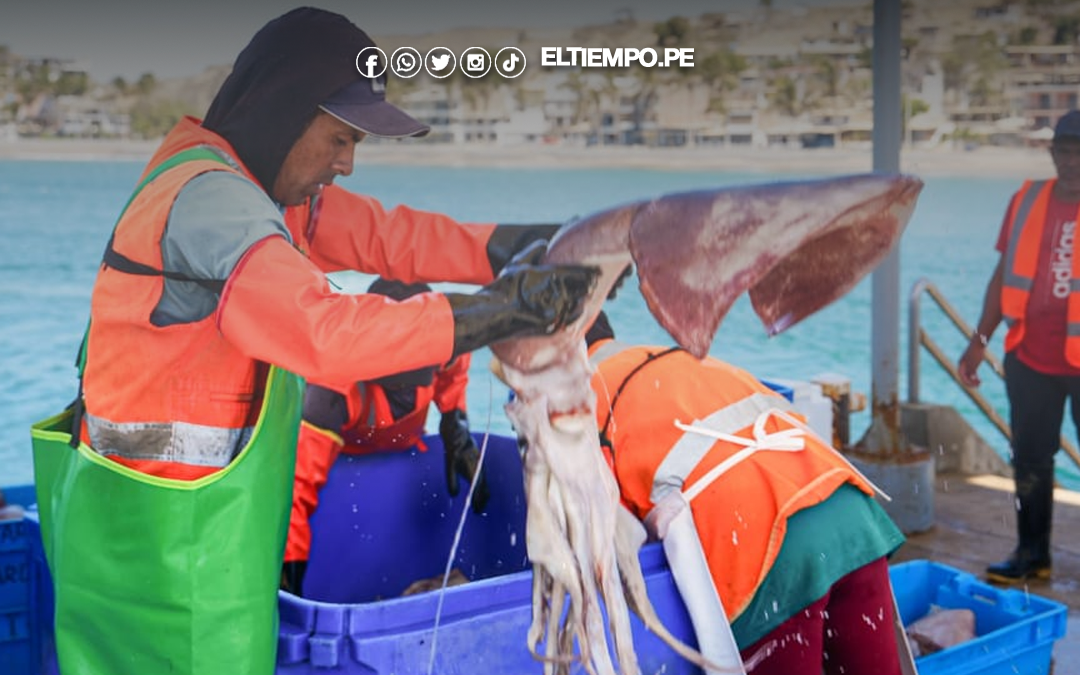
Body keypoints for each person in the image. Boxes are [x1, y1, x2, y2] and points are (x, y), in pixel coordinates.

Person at [29, 8, 596, 675]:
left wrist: (518, 244)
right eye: (338, 139)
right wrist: (505, 310)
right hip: (157, 552)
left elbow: (389, 236)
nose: (347, 164)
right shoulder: (213, 204)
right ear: (284, 112)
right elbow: (328, 335)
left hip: (204, 534)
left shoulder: (260, 192)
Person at [584, 312, 907, 675]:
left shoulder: (578, 407)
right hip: (847, 512)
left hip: (768, 552)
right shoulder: (680, 357)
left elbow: (603, 544)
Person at [282, 277, 489, 596]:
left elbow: (453, 376)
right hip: (340, 458)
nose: (411, 388)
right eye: (401, 380)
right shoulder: (330, 390)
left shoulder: (447, 347)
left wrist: (455, 428)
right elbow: (295, 490)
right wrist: (288, 576)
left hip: (404, 451)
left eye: (421, 371)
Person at [957, 110, 1080, 584]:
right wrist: (978, 342)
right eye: (1064, 152)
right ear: (1052, 154)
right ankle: (1032, 555)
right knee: (1030, 460)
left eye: (1079, 153)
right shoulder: (1026, 200)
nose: (1071, 162)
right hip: (1030, 357)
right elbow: (1003, 274)